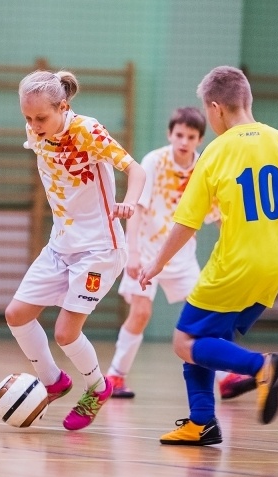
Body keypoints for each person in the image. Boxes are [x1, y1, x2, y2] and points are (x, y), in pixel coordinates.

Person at [137, 66, 278, 446]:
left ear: (215, 108)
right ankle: (202, 422)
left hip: (234, 266)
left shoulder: (214, 152)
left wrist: (155, 264)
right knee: (210, 338)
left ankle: (261, 367)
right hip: (272, 268)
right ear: (248, 101)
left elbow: (186, 223)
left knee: (184, 341)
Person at [5, 69, 146, 431]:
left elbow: (137, 171)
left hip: (99, 247)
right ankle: (54, 381)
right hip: (61, 244)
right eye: (28, 118)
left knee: (66, 332)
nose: (34, 125)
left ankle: (98, 388)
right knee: (17, 314)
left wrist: (129, 203)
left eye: (41, 118)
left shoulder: (86, 130)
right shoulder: (35, 131)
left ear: (63, 107)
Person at [105, 107, 216, 399]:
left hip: (181, 255)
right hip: (147, 249)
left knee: (206, 313)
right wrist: (134, 253)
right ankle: (115, 376)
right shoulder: (154, 161)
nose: (183, 141)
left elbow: (216, 214)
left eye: (191, 136)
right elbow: (138, 208)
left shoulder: (204, 166)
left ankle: (226, 378)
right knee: (141, 313)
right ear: (170, 134)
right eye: (179, 134)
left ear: (199, 140)